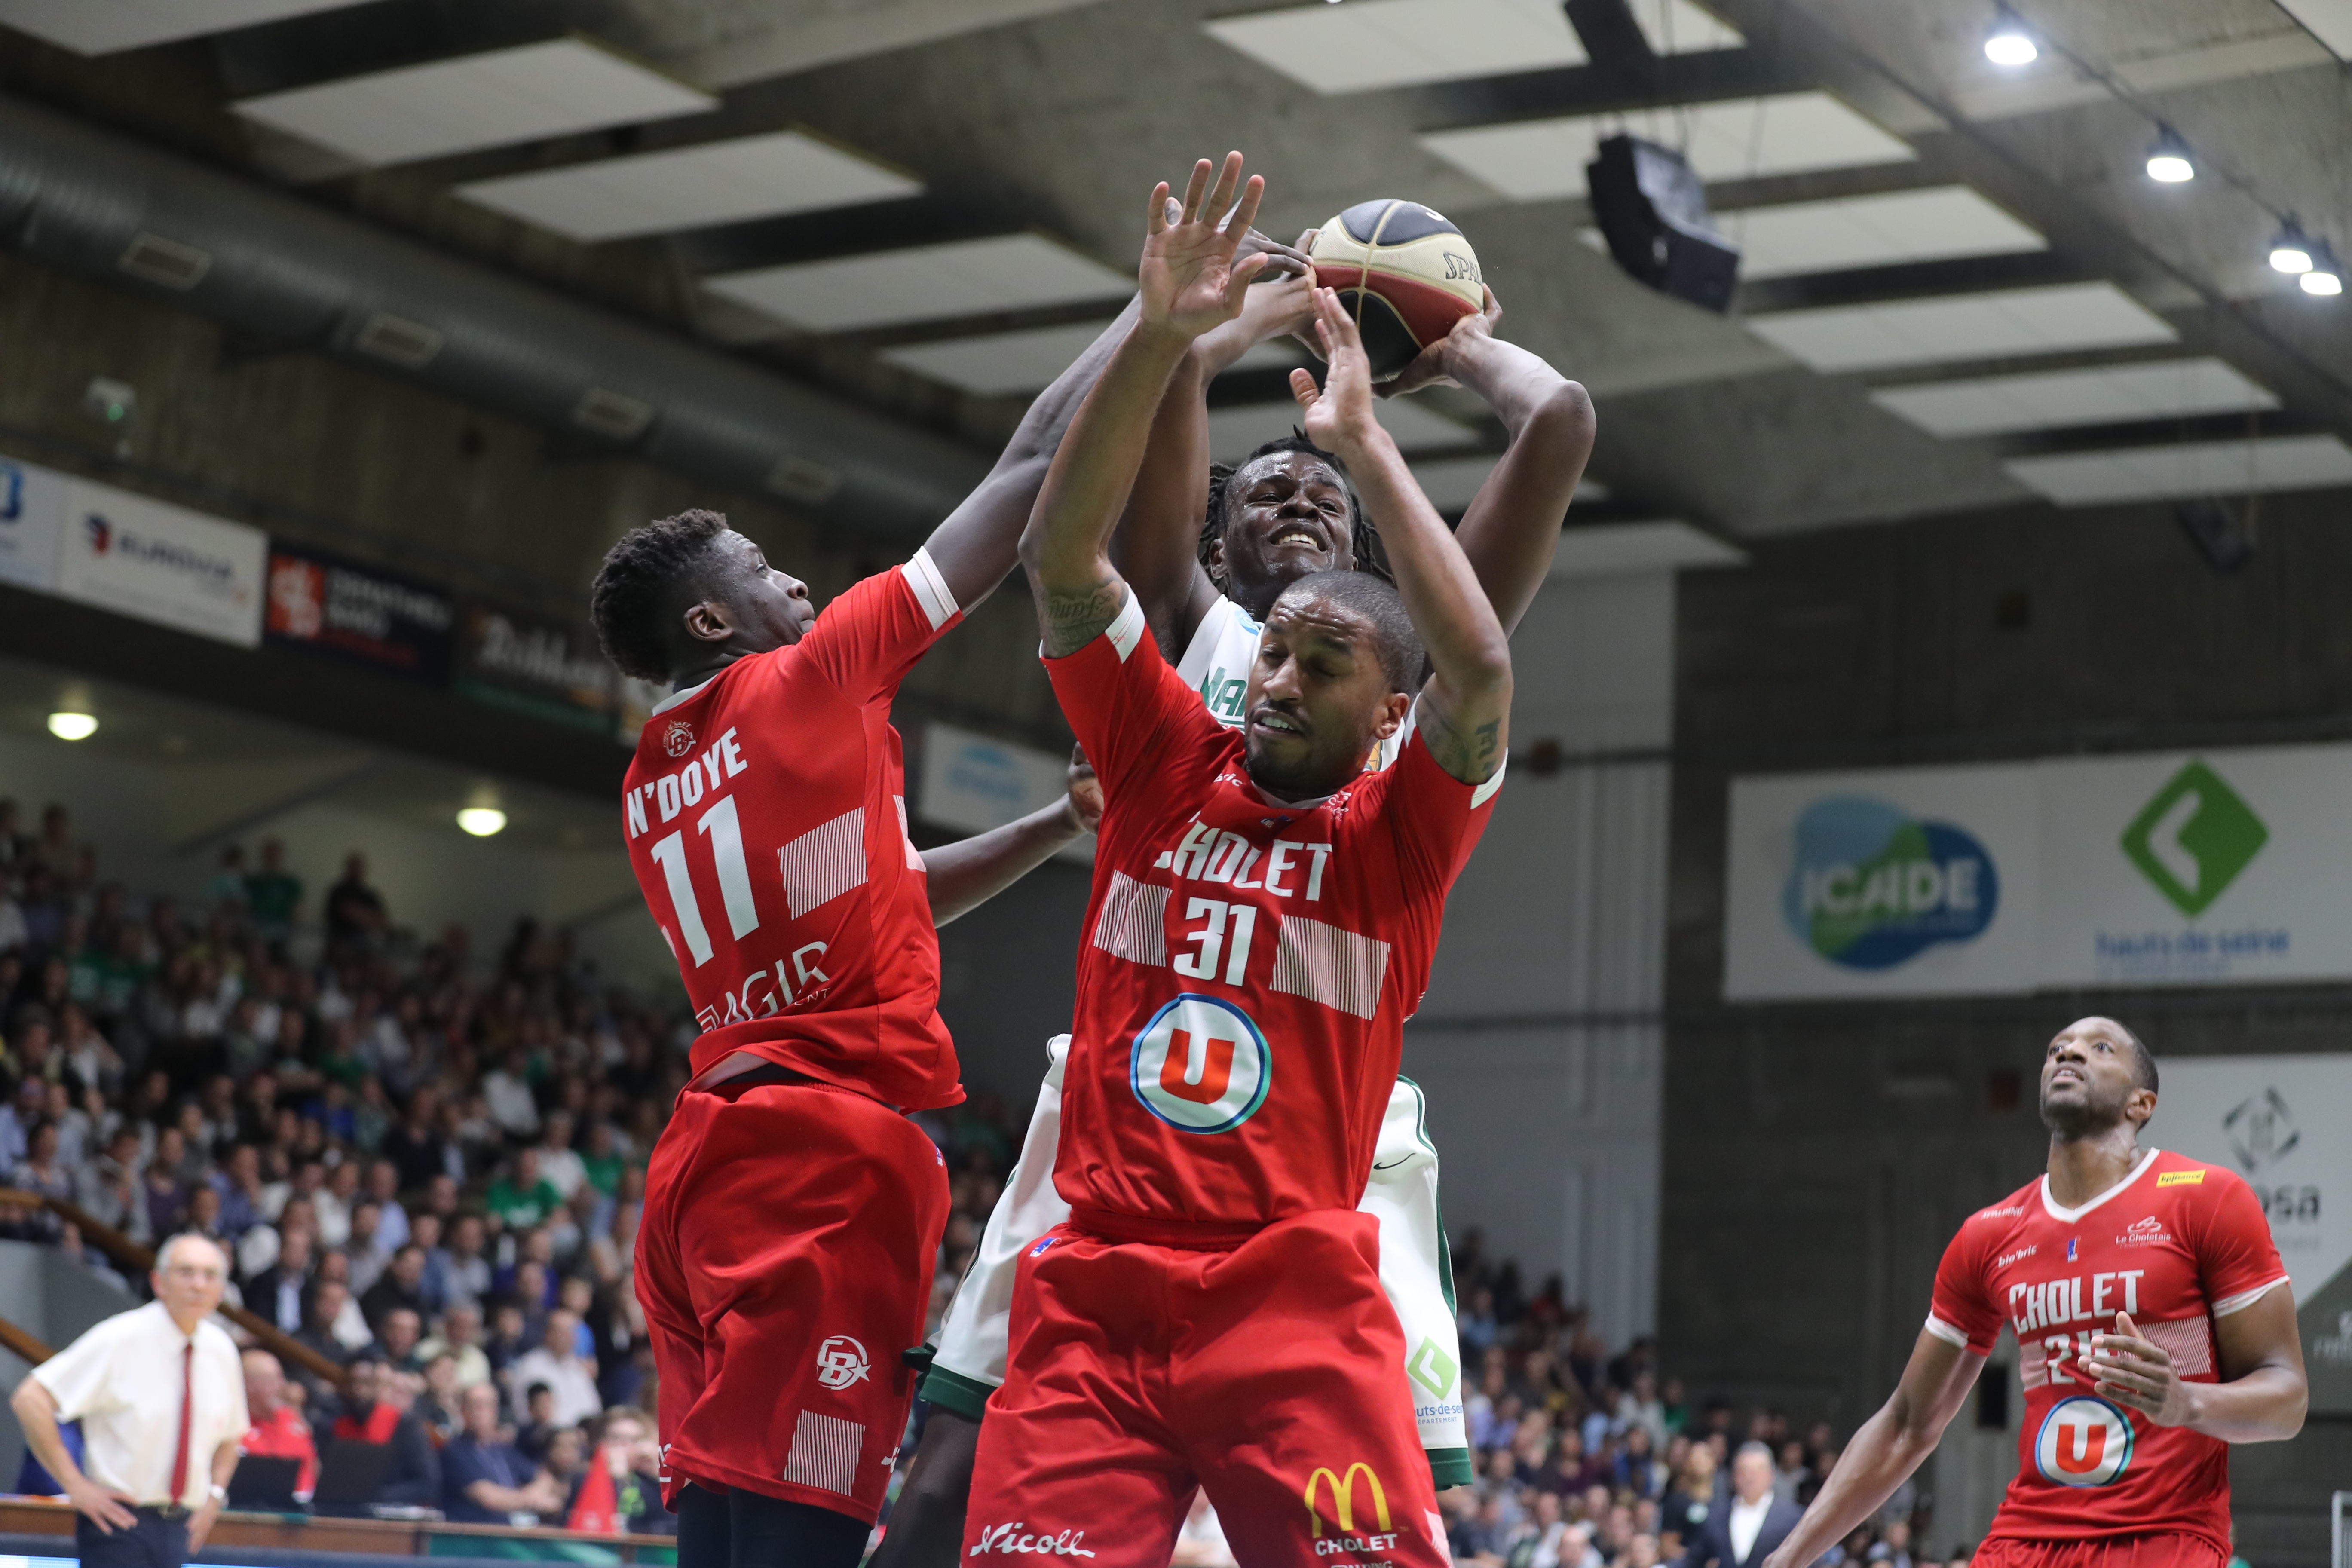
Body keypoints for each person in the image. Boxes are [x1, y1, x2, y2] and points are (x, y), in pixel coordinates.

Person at [888, 181, 1593, 1566]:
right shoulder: (1184, 681)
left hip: (1324, 1182)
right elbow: (1073, 551)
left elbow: (1556, 432)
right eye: (1262, 491)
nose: (1293, 506)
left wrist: (1432, 359)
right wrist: (1186, 336)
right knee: (943, 1502)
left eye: (1321, 498)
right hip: (1120, 1173)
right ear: (1211, 554)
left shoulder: (1410, 709)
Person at [594, 206, 1148, 1566]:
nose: (798, 580)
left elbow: (890, 891)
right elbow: (1027, 471)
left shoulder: (654, 776)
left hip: (706, 1165)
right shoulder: (816, 670)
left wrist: (1046, 828)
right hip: (824, 1164)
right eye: (765, 573)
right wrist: (1159, 314)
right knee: (797, 1533)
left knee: (725, 1523)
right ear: (715, 620)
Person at [1762, 1018, 2307, 1568]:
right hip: (2025, 1542)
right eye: (2057, 1050)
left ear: (2142, 1104)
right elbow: (1907, 1423)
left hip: (2163, 1535)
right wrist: (1787, 1558)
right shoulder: (1990, 1234)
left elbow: (2287, 1399)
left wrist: (2188, 1402)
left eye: (2098, 1048)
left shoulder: (2207, 1200)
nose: (2069, 1055)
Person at [8, 1234, 249, 1567]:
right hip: (119, 1523)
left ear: (222, 1289)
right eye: (186, 1272)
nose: (198, 1284)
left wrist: (215, 1497)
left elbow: (233, 1435)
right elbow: (30, 1398)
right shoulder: (121, 1337)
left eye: (210, 1275)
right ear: (158, 1281)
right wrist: (75, 1485)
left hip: (182, 1527)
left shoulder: (222, 1350)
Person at [441, 1381, 566, 1525]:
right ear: (463, 1410)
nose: (480, 1411)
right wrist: (533, 1501)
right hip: (473, 1536)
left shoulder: (501, 1449)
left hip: (507, 1532)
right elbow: (490, 1499)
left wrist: (535, 1494)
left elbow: (544, 1477)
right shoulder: (454, 1452)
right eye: (475, 1405)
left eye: (488, 1405)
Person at [1681, 1443, 1801, 1568]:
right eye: (1743, 1471)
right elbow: (1693, 1559)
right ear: (1734, 1476)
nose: (1749, 1478)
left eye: (1757, 1471)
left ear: (1771, 1475)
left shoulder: (1792, 1518)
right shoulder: (1716, 1516)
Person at [237, 1348, 319, 1500]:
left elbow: (313, 1468)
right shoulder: (233, 1424)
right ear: (249, 1385)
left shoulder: (292, 1420)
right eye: (273, 1379)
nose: (282, 1386)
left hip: (301, 1510)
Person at [508, 1308, 603, 1429]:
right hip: (550, 1438)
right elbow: (528, 1415)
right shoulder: (531, 1366)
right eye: (566, 1333)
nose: (572, 1339)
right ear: (549, 1334)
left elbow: (594, 1407)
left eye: (573, 1333)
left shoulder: (576, 1366)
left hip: (582, 1436)